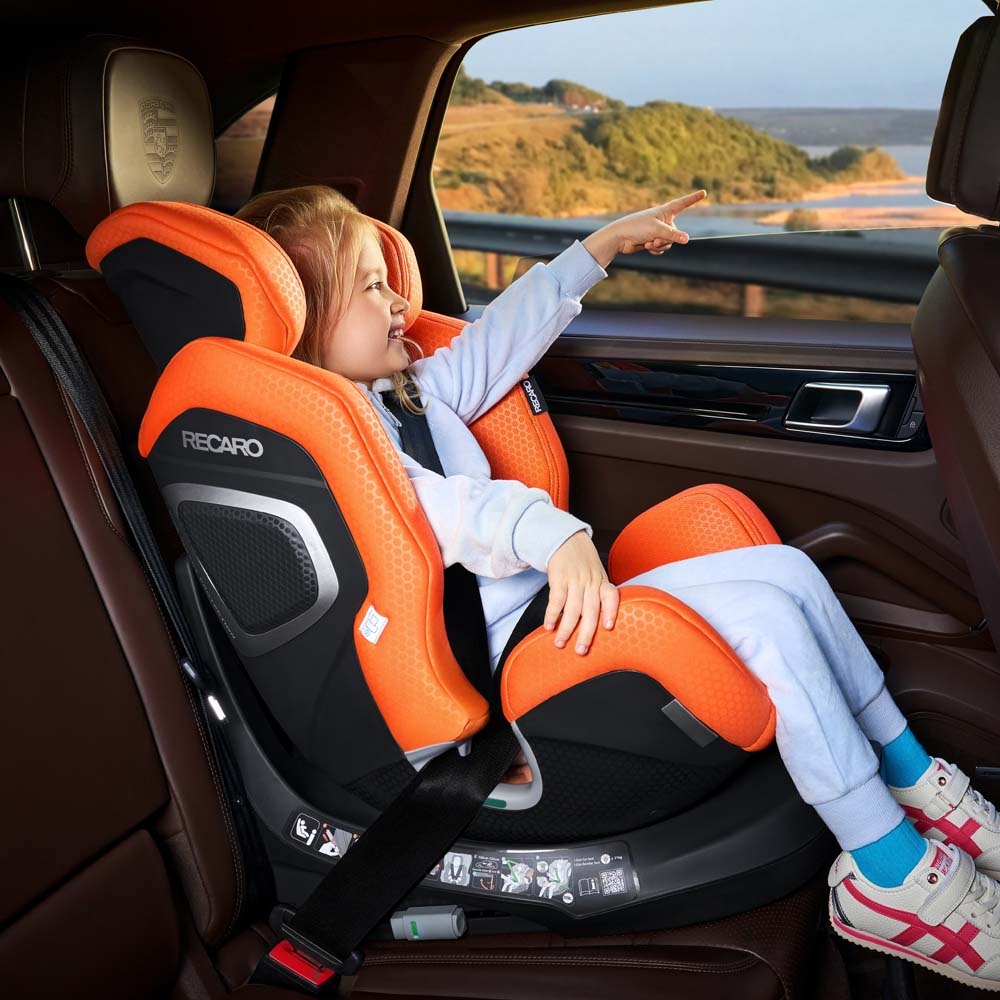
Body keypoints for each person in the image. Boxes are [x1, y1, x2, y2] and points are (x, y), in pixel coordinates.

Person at [237, 185, 1000, 989]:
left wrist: (596, 250)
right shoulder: (336, 445)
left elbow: (499, 340)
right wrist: (556, 534)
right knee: (766, 616)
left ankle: (910, 780)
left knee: (790, 572)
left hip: (539, 612)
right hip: (496, 658)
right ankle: (887, 874)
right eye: (370, 287)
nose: (399, 302)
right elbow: (442, 510)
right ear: (304, 323)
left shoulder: (408, 392)